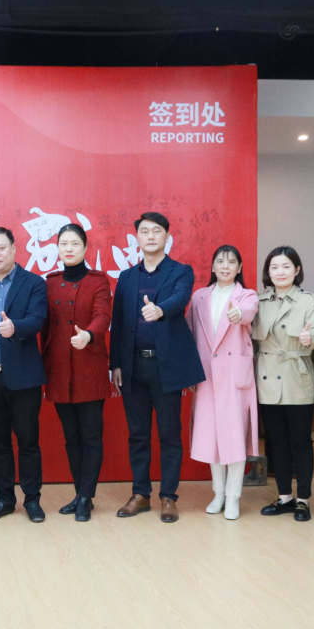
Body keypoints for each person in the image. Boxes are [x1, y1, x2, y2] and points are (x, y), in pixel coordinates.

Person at [109, 213, 205, 523]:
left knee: (169, 434)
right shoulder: (126, 277)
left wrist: (160, 309)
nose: (150, 236)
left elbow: (180, 299)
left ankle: (169, 496)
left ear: (167, 237)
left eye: (157, 231)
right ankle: (140, 494)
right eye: (145, 231)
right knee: (137, 434)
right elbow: (118, 322)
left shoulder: (181, 271)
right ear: (137, 237)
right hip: (133, 365)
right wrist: (116, 364)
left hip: (167, 367)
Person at [0, 227, 49, 522]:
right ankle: (4, 500)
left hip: (23, 377)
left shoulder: (33, 283)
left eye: (1, 248)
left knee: (28, 442)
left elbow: (37, 319)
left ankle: (32, 500)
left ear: (14, 249)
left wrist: (16, 327)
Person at [41, 224, 112, 522]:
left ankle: (86, 497)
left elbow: (102, 315)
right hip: (58, 369)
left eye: (74, 244)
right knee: (71, 437)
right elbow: (43, 326)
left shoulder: (98, 281)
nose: (68, 249)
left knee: (91, 436)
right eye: (63, 244)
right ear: (57, 248)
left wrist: (89, 335)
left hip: (88, 367)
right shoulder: (50, 282)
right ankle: (79, 493)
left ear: (85, 248)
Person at [253, 246, 314, 522]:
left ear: (297, 270)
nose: (280, 272)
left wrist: (311, 339)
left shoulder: (308, 301)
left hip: (297, 376)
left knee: (301, 442)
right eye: (274, 267)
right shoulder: (259, 301)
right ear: (268, 272)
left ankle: (303, 500)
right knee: (277, 442)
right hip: (267, 376)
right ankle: (284, 497)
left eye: (286, 266)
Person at [185, 245, 259, 521]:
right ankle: (218, 494)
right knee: (211, 437)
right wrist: (189, 372)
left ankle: (233, 497)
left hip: (233, 375)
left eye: (231, 262)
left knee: (234, 437)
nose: (225, 266)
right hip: (205, 375)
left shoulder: (247, 295)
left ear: (239, 268)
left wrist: (238, 315)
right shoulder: (199, 296)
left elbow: (248, 311)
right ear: (213, 266)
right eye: (220, 261)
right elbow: (189, 334)